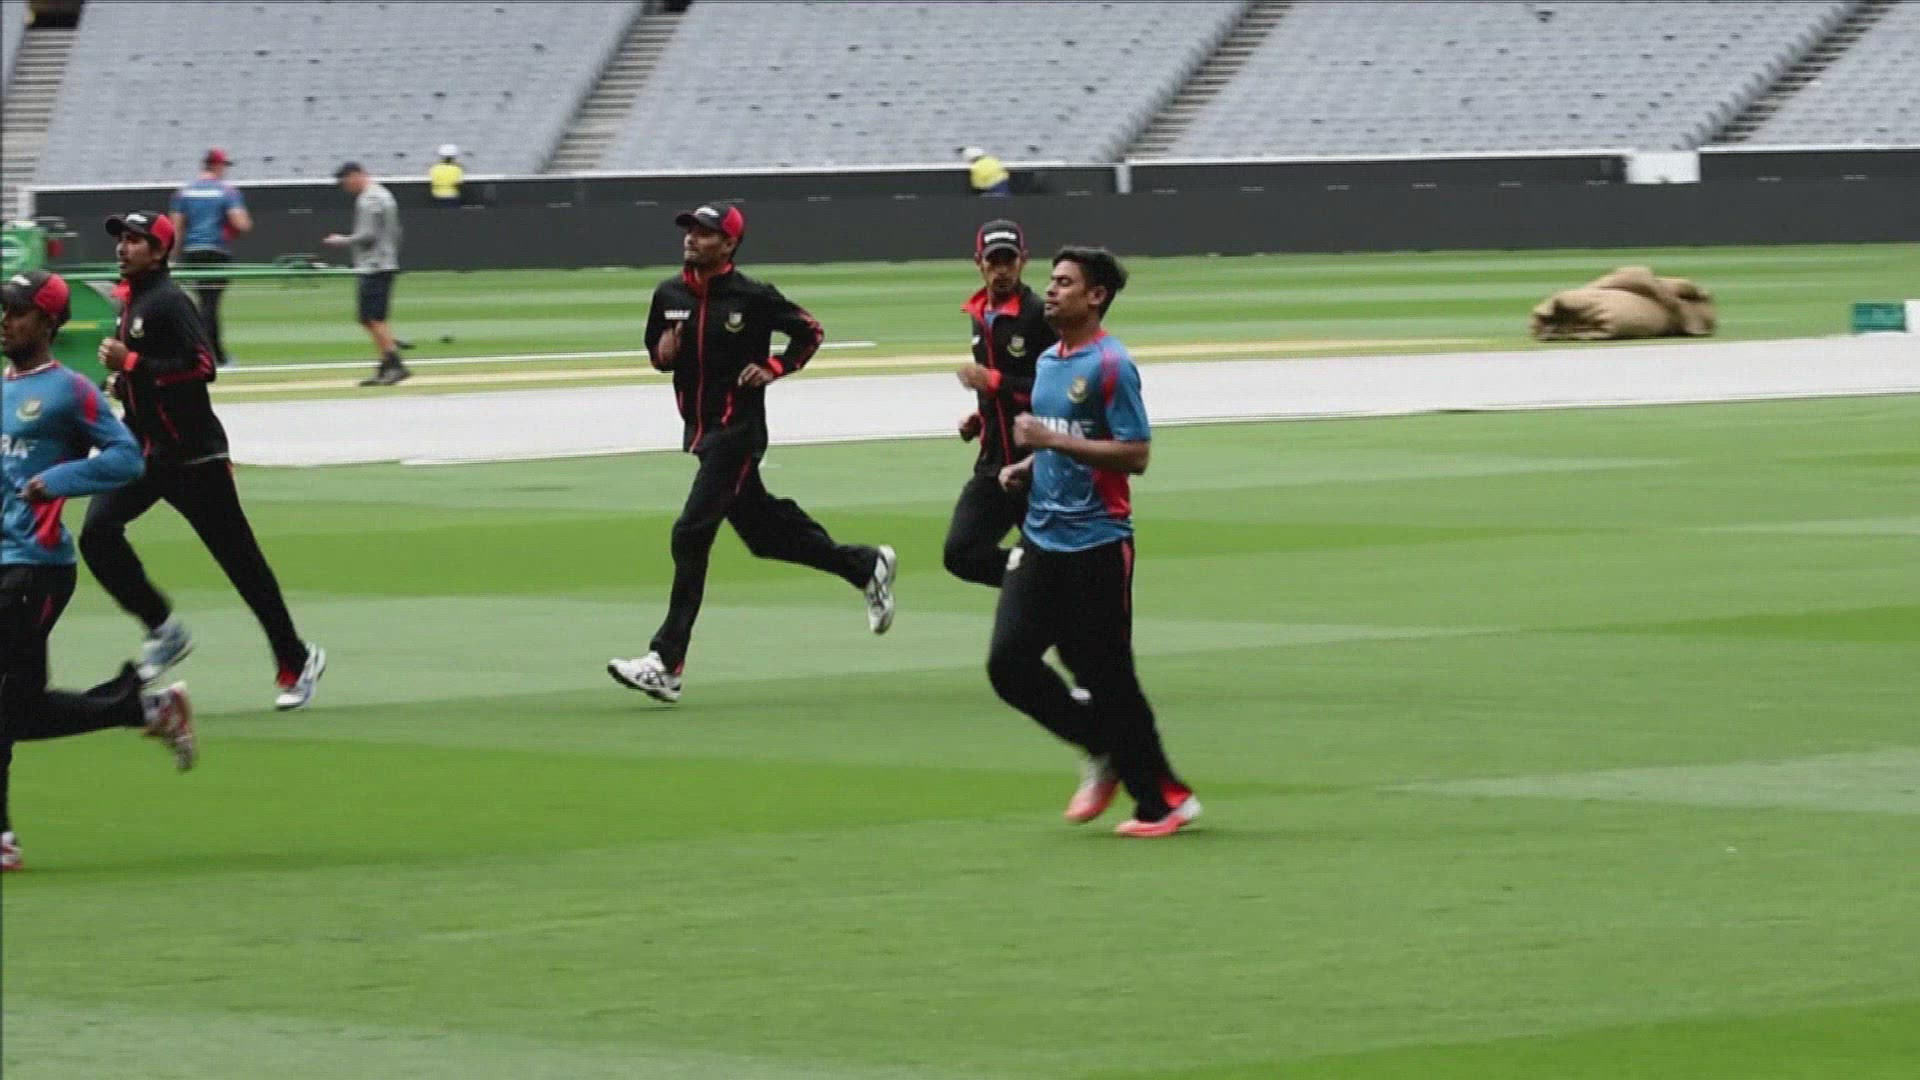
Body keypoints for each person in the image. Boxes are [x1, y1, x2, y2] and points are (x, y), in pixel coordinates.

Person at [608, 204, 898, 703]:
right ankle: (864, 565)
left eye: (705, 233)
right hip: (703, 434)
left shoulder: (753, 296)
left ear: (729, 244)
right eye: (690, 231)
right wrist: (663, 355)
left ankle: (666, 663)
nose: (692, 239)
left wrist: (775, 367)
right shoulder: (669, 294)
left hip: (738, 434)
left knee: (690, 533)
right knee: (764, 534)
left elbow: (810, 331)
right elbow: (657, 351)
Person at [988, 246, 1199, 838]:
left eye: (1064, 283)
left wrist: (1050, 442)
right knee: (1008, 664)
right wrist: (1029, 466)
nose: (1050, 291)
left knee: (1108, 678)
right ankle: (1100, 747)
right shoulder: (1050, 361)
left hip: (1097, 543)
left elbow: (1136, 454)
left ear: (1096, 296)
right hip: (1041, 537)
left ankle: (1163, 802)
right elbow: (1067, 438)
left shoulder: (1112, 365)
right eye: (1051, 281)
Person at [80, 211, 327, 712]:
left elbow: (202, 365)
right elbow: (151, 379)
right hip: (143, 452)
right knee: (97, 533)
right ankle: (163, 628)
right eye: (121, 239)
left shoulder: (169, 301)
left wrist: (132, 364)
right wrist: (124, 383)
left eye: (135, 240)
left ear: (160, 251)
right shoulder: (134, 300)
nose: (123, 248)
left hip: (194, 457)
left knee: (241, 565)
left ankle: (297, 660)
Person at [2, 268, 197, 872]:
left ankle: (3, 840)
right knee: (21, 710)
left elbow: (126, 460)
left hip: (35, 566)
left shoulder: (70, 391)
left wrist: (59, 479)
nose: (5, 321)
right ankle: (147, 710)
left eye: (18, 312)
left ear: (49, 322)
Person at [946, 219, 1056, 588]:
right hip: (993, 463)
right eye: (994, 262)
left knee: (1060, 552)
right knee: (961, 553)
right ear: (979, 262)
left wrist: (995, 383)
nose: (1002, 271)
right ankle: (1041, 583)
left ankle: (1049, 588)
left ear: (1024, 260)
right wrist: (980, 418)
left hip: (1036, 466)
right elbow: (1000, 390)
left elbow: (1053, 389)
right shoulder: (980, 316)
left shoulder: (1039, 315)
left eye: (1009, 261)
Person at [322, 162, 411, 387]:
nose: (345, 187)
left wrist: (342, 240)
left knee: (373, 318)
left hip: (375, 264)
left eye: (345, 181)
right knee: (368, 318)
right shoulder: (382, 195)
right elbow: (395, 232)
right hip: (382, 261)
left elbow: (368, 234)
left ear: (355, 176)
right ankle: (386, 363)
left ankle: (394, 363)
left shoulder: (369, 199)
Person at [168, 148, 251, 367]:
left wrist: (171, 258)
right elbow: (242, 224)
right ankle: (211, 356)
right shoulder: (228, 192)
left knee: (205, 303)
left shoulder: (184, 192)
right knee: (210, 305)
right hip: (216, 251)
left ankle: (211, 354)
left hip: (192, 252)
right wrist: (231, 228)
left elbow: (176, 228)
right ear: (217, 166)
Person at [429, 144, 464, 208]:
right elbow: (458, 184)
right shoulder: (457, 168)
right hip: (452, 196)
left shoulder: (434, 168)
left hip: (437, 196)